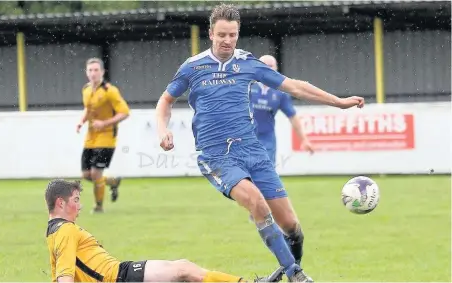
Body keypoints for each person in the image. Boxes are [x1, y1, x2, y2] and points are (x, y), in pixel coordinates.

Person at [155, 3, 364, 283]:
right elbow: (165, 101)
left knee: (291, 226)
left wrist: (338, 102)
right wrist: (162, 129)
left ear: (238, 33)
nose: (227, 40)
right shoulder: (192, 67)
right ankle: (296, 274)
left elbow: (295, 86)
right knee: (256, 203)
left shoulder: (247, 63)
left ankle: (286, 270)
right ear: (211, 33)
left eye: (232, 35)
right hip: (217, 156)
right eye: (222, 35)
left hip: (253, 151)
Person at [44, 179, 273, 282]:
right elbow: (65, 279)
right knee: (184, 270)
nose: (80, 205)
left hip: (119, 275)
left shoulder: (55, 232)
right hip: (119, 277)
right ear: (60, 203)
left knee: (184, 270)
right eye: (75, 199)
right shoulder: (64, 231)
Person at [77, 58, 129, 214]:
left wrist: (105, 123)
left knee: (95, 173)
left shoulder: (110, 90)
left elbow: (125, 112)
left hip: (107, 138)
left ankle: (98, 206)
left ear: (102, 72)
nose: (93, 73)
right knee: (86, 175)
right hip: (90, 137)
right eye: (90, 70)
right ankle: (112, 181)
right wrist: (81, 121)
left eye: (96, 70)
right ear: (86, 73)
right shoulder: (86, 90)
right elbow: (88, 109)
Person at [250, 55, 314, 165]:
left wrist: (304, 139)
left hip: (267, 138)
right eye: (264, 65)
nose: (268, 68)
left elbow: (292, 117)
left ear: (276, 68)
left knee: (266, 173)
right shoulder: (248, 86)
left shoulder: (280, 93)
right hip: (246, 137)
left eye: (271, 66)